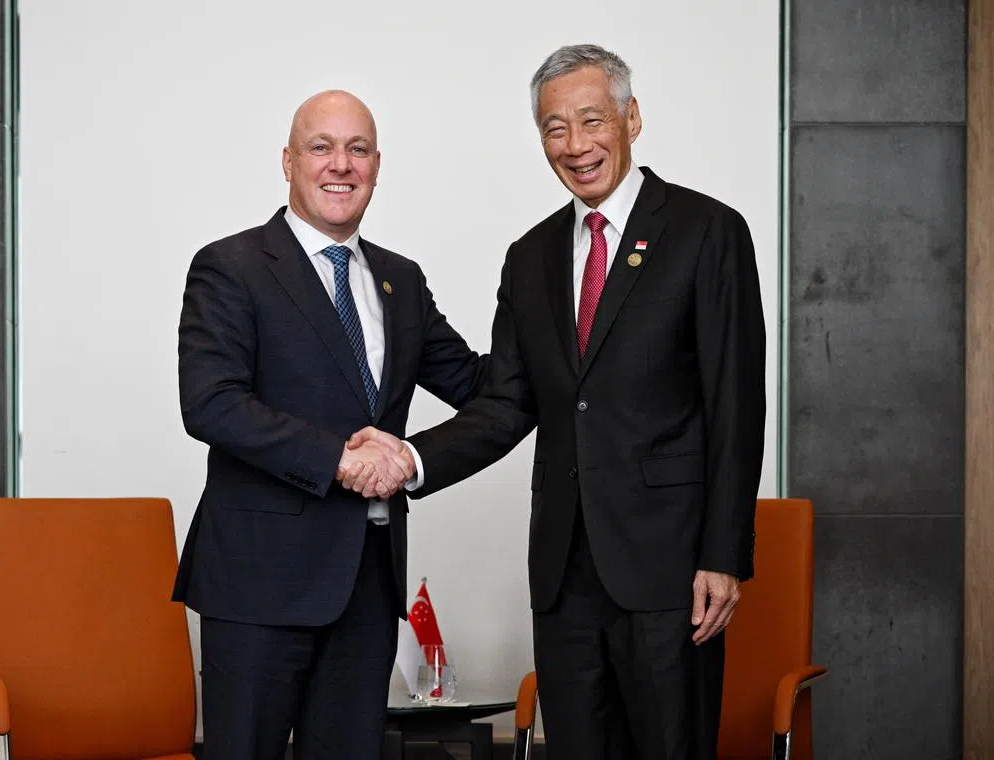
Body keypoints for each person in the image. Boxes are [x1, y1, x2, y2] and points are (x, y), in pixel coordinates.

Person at [349, 44, 766, 759]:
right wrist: (411, 457)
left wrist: (723, 555)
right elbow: (509, 405)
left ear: (632, 118)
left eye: (591, 121)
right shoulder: (530, 256)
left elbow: (736, 402)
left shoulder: (706, 232)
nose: (576, 146)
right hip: (564, 576)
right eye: (554, 129)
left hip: (670, 573)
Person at [172, 89, 485, 760]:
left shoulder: (401, 280)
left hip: (366, 587)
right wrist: (340, 460)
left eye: (358, 149)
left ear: (378, 165)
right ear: (288, 160)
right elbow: (211, 403)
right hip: (259, 584)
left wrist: (574, 343)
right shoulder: (231, 267)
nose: (340, 165)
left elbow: (478, 385)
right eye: (321, 147)